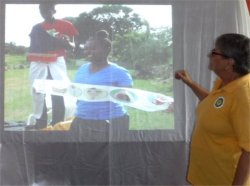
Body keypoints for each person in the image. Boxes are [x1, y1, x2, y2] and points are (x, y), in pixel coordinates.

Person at [175, 33, 250, 185]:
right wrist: (190, 83)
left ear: (229, 63)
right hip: (208, 178)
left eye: (215, 52)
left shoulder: (243, 94)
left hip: (224, 180)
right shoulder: (226, 84)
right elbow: (216, 105)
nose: (210, 55)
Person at [68, 30, 133, 185]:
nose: (88, 52)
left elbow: (130, 97)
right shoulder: (82, 69)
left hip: (111, 123)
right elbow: (77, 92)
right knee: (81, 163)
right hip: (82, 121)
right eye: (86, 48)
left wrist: (117, 94)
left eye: (93, 48)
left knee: (108, 165)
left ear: (106, 49)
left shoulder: (119, 72)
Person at [26, 2, 79, 129]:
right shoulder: (36, 28)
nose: (44, 14)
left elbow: (73, 46)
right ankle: (40, 121)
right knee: (39, 92)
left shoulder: (66, 25)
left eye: (47, 11)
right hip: (39, 62)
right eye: (41, 11)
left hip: (56, 62)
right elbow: (32, 47)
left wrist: (65, 42)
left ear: (54, 10)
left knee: (58, 91)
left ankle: (57, 122)